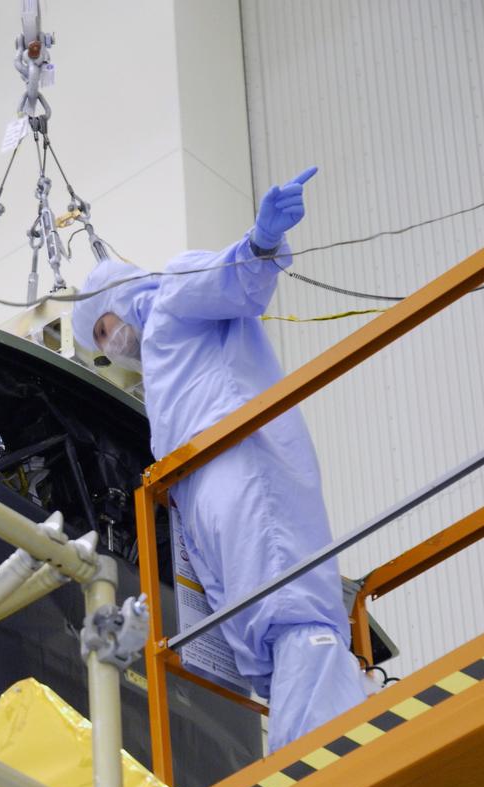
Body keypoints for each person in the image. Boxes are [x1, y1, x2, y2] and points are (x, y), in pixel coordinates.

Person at [72, 168, 368, 753]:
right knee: (253, 623)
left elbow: (238, 281)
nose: (110, 345)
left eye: (104, 329)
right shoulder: (158, 373)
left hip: (242, 466)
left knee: (283, 600)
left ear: (118, 300)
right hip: (208, 490)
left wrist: (260, 241)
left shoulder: (174, 297)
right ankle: (302, 728)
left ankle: (326, 738)